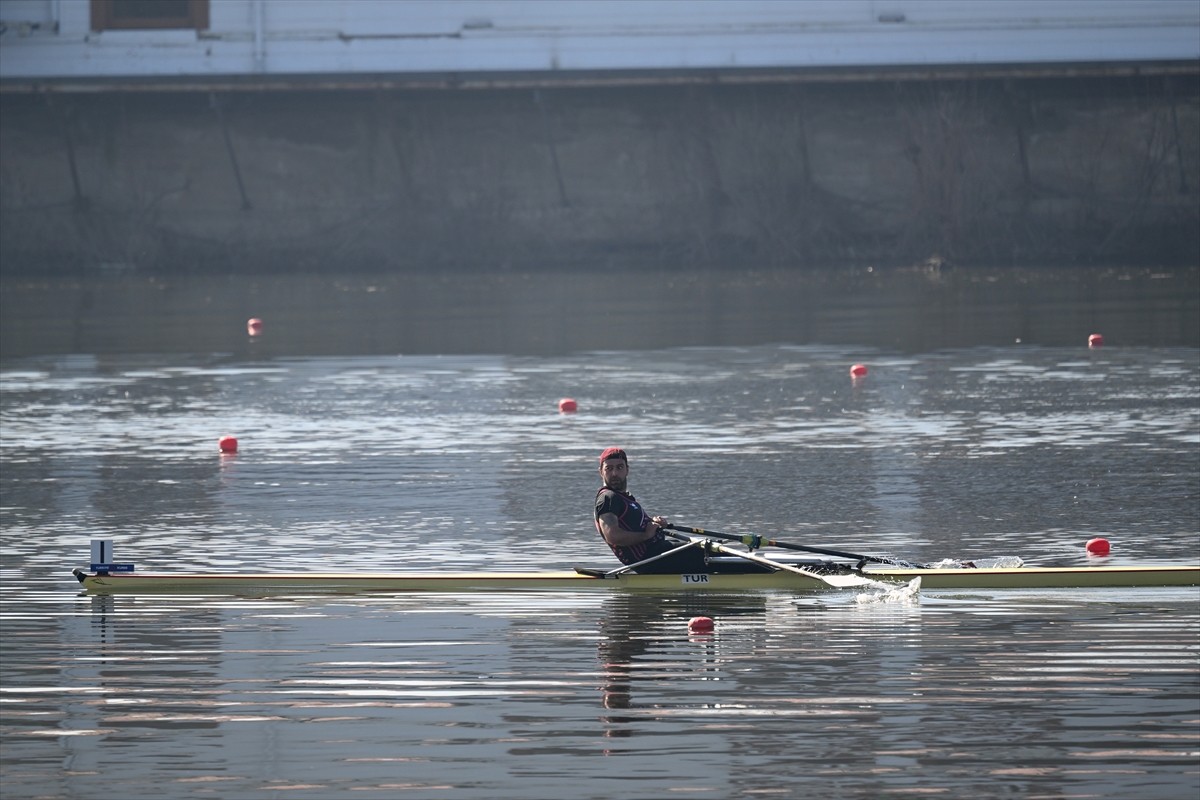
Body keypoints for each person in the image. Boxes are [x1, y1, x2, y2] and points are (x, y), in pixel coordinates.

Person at [594, 447, 706, 573]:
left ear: (627, 470)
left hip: (658, 553)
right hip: (649, 560)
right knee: (707, 553)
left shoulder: (624, 498)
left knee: (707, 549)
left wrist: (653, 523)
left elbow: (634, 525)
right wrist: (646, 534)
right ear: (601, 472)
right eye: (609, 468)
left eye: (619, 467)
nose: (614, 473)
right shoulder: (608, 498)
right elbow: (613, 536)